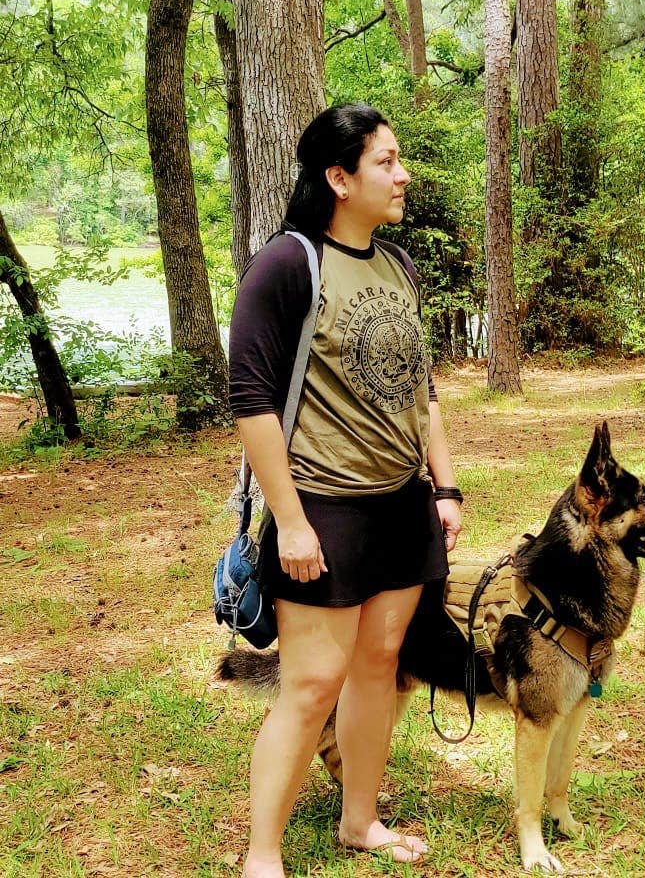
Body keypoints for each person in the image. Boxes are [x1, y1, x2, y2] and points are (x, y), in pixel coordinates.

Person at [228, 103, 462, 878]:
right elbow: (252, 400)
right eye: (386, 161)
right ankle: (262, 856)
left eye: (399, 160)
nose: (402, 175)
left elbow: (418, 388)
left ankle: (359, 822)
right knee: (311, 683)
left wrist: (444, 486)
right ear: (339, 177)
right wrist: (290, 524)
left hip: (401, 503)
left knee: (379, 664)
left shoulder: (398, 264)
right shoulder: (287, 264)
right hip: (323, 507)